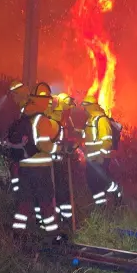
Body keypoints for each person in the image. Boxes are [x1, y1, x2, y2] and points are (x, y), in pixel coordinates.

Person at [10, 83, 61, 240]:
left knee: (24, 202)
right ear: (41, 100)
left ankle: (17, 234)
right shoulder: (42, 120)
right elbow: (43, 144)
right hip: (41, 168)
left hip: (25, 167)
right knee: (46, 202)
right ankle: (53, 235)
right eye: (46, 99)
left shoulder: (25, 116)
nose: (48, 102)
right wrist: (57, 149)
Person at [82, 94, 121, 207]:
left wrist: (101, 157)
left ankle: (117, 193)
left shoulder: (101, 120)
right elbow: (88, 137)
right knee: (93, 183)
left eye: (86, 106)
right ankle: (101, 205)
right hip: (91, 159)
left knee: (102, 181)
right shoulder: (90, 120)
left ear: (92, 106)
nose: (84, 108)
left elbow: (107, 140)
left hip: (100, 158)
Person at [49, 92, 78, 229]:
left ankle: (65, 220)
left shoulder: (63, 120)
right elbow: (49, 143)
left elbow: (66, 137)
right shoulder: (55, 120)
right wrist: (62, 148)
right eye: (69, 108)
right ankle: (58, 220)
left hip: (60, 162)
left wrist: (69, 146)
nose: (70, 111)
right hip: (52, 163)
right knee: (56, 191)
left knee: (62, 190)